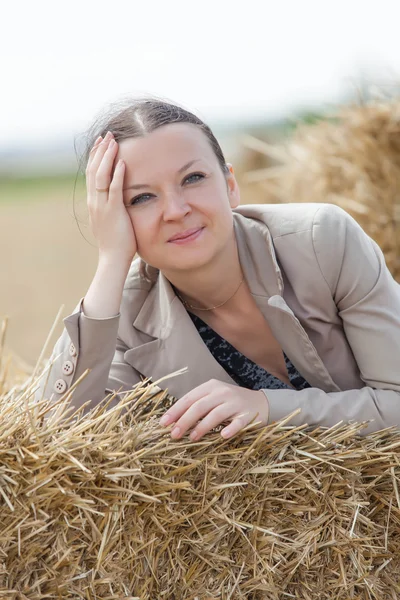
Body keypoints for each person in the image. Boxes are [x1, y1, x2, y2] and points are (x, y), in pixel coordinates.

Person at [36, 97, 400, 440]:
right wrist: (112, 260)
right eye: (142, 197)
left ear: (230, 184)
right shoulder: (122, 319)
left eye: (192, 178)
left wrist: (268, 408)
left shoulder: (322, 241)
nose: (176, 210)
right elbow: (58, 443)